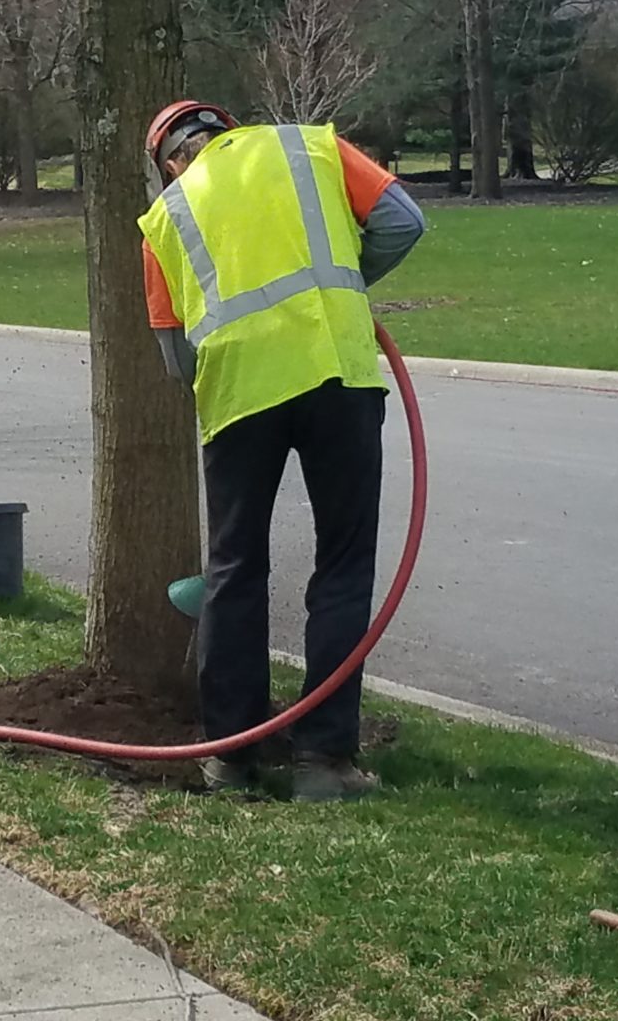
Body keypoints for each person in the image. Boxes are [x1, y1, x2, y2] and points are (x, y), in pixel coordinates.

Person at [137, 101, 425, 801]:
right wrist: (342, 285)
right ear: (227, 131)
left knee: (234, 567)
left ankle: (230, 759)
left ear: (170, 161)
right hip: (336, 371)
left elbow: (176, 359)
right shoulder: (312, 148)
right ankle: (324, 763)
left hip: (239, 398)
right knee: (344, 564)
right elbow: (402, 222)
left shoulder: (164, 218)